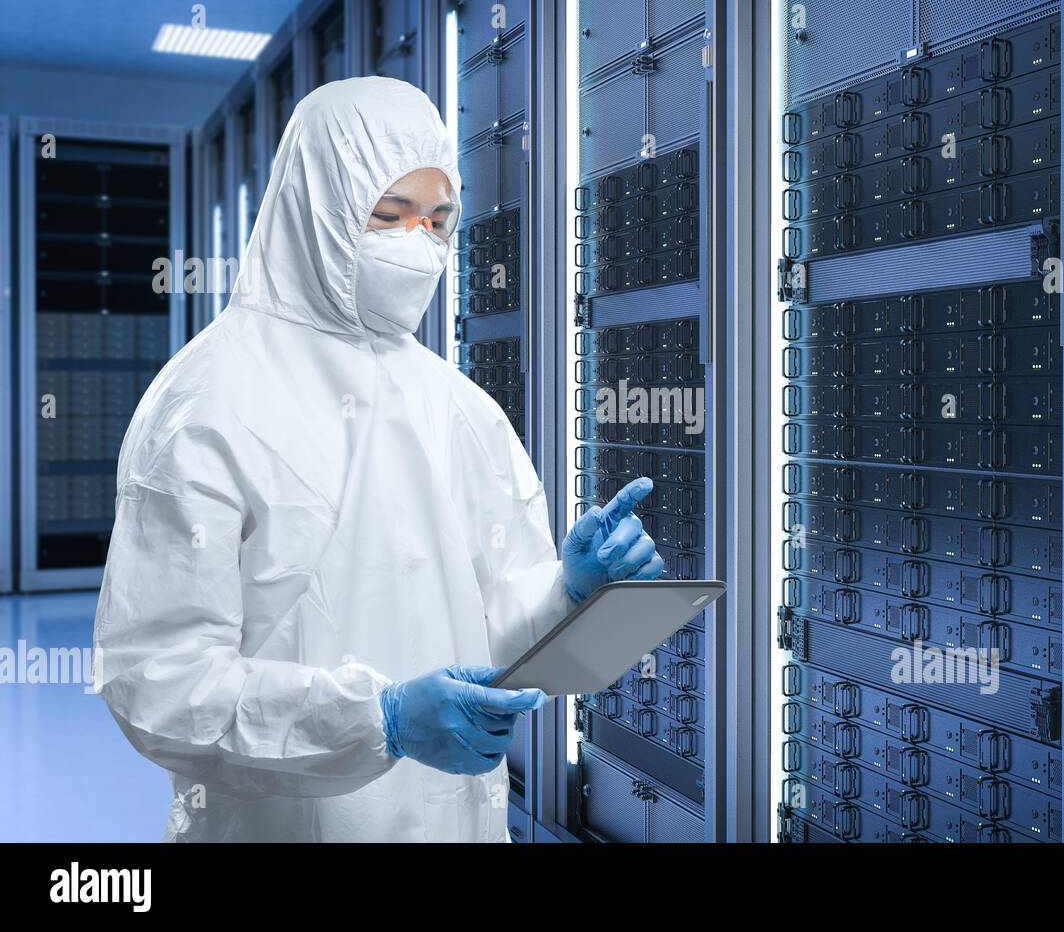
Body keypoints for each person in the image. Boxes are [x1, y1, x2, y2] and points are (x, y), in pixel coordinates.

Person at [92, 76, 663, 842]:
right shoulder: (207, 404)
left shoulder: (459, 408)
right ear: (313, 208)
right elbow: (158, 685)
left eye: (438, 221)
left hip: (452, 818)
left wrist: (568, 592)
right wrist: (377, 721)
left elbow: (491, 634)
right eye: (388, 216)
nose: (417, 246)